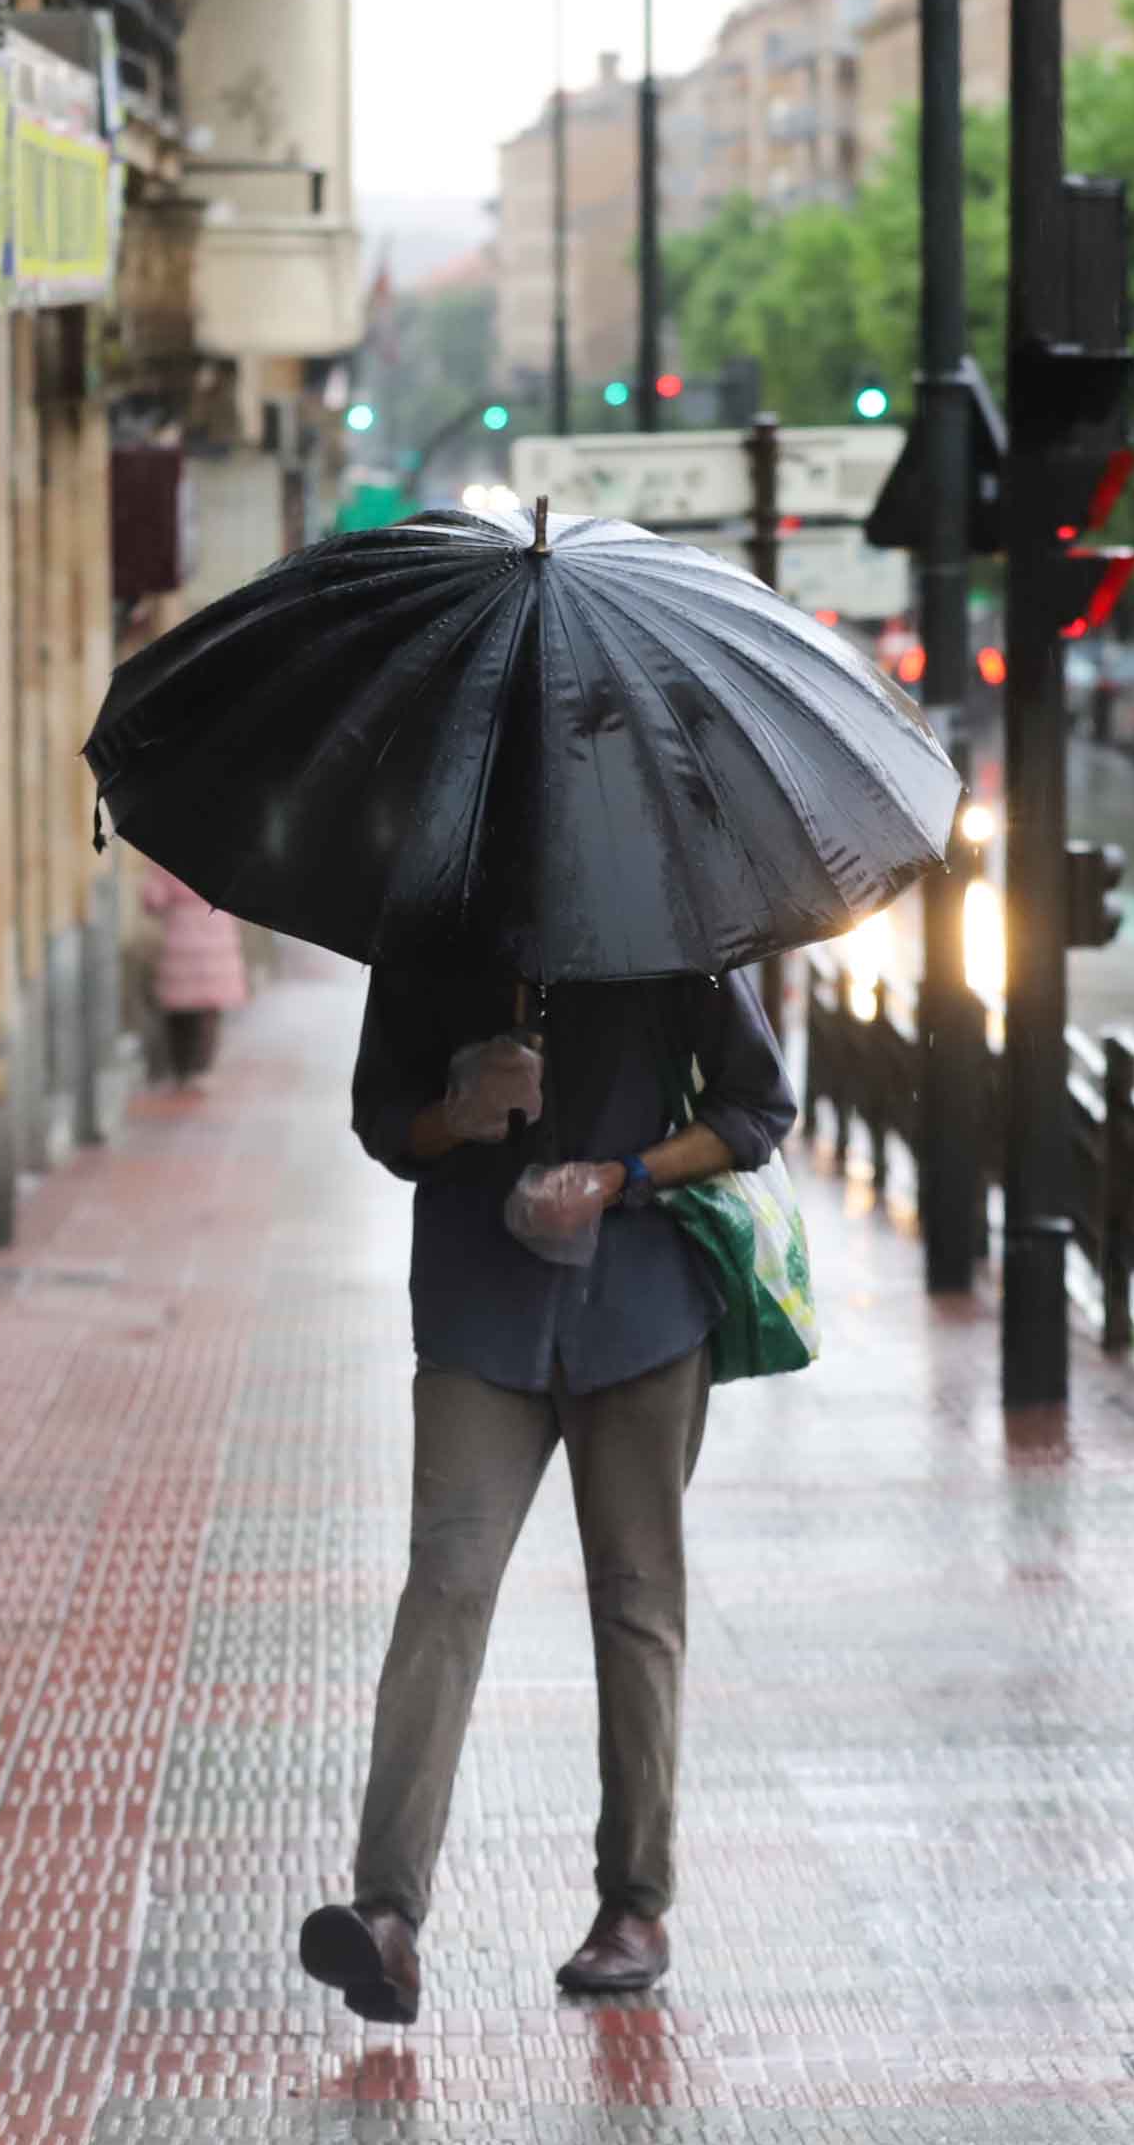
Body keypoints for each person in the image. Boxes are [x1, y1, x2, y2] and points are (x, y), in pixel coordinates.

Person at [297, 965, 797, 2026]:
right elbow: (383, 1120)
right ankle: (386, 1918)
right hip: (481, 1313)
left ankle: (635, 1905)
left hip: (644, 1311)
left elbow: (756, 1110)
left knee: (636, 1602)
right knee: (446, 1583)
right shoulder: (438, 920)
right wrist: (458, 1114)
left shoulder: (672, 922)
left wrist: (622, 1174)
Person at [142, 863, 247, 1085]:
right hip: (217, 935)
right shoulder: (224, 850)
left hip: (181, 936)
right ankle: (202, 1067)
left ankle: (182, 1069)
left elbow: (153, 898)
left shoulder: (169, 853)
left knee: (179, 1007)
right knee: (210, 1005)